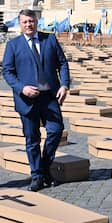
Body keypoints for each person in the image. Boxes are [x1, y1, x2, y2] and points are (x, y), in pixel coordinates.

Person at [2, 9, 70, 192]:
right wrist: (21, 87)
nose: (28, 25)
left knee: (56, 131)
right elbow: (7, 71)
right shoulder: (13, 45)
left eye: (31, 21)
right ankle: (37, 176)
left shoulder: (50, 39)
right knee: (32, 139)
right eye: (24, 22)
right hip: (27, 100)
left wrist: (64, 85)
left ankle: (45, 165)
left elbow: (62, 63)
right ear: (20, 24)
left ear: (36, 21)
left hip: (49, 97)